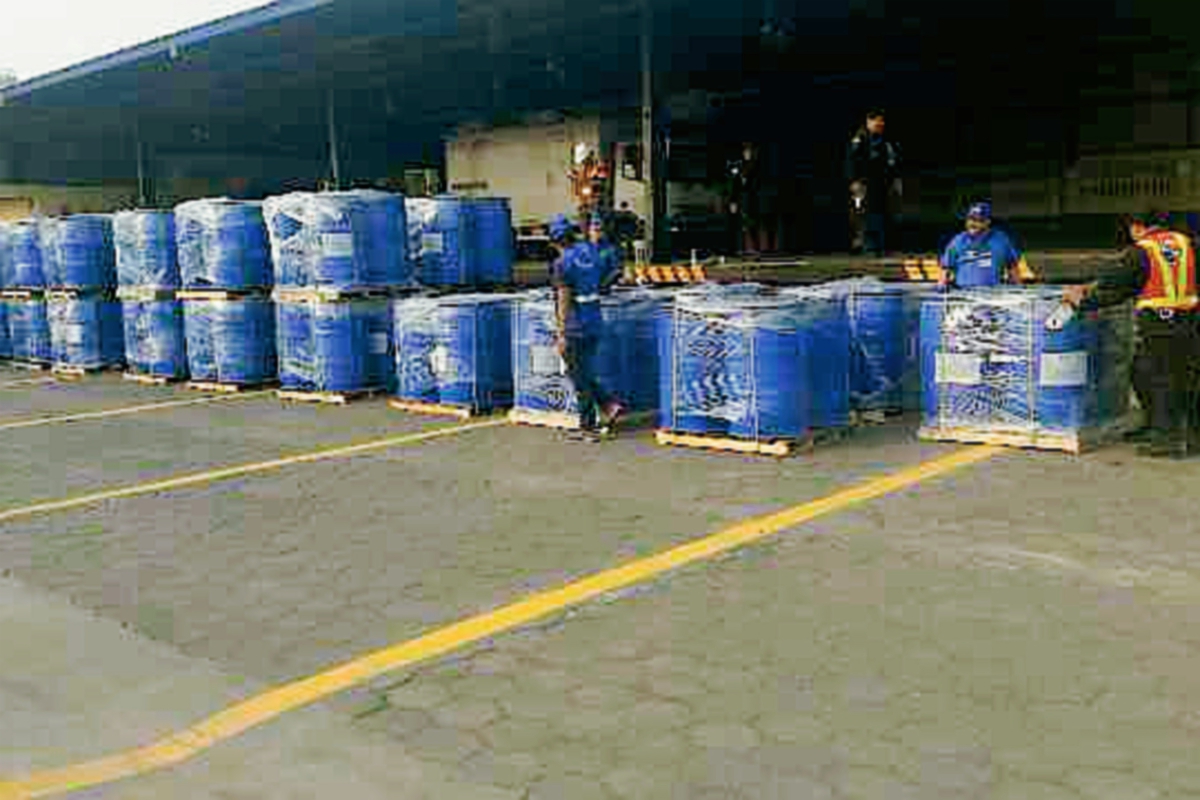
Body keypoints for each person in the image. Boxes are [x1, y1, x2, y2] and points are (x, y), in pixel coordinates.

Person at [1062, 212, 1200, 458]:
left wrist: (1081, 302)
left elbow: (1118, 287)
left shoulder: (1141, 250)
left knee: (1159, 380)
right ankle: (1175, 431)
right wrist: (1093, 285)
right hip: (1188, 322)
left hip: (1159, 323)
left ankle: (1167, 439)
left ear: (1137, 227)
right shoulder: (1185, 242)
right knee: (1176, 376)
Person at [552, 213, 624, 440]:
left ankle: (589, 425)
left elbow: (563, 299)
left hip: (576, 324)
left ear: (555, 241)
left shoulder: (562, 263)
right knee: (583, 370)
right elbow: (609, 275)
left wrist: (561, 333)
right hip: (594, 318)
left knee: (578, 376)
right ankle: (608, 405)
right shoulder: (590, 252)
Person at [939, 202, 1038, 288]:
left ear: (987, 222)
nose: (973, 224)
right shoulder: (958, 240)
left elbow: (1012, 267)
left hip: (991, 296)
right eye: (970, 219)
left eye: (978, 220)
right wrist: (942, 288)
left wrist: (1018, 290)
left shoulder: (1001, 239)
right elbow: (945, 270)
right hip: (964, 296)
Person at [846, 109, 902, 256]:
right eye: (876, 121)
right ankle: (865, 246)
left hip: (881, 183)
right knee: (863, 214)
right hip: (863, 183)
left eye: (881, 121)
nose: (880, 124)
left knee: (881, 213)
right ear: (869, 122)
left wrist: (895, 180)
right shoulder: (860, 138)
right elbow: (852, 161)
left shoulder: (885, 139)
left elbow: (892, 162)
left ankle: (880, 246)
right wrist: (854, 181)